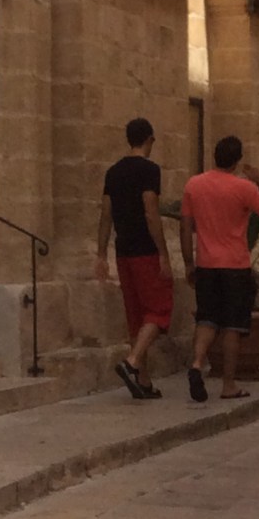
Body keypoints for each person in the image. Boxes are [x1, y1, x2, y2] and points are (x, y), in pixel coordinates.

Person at [179, 136, 259, 402]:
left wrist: (188, 262)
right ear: (237, 160)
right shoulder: (244, 188)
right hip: (235, 266)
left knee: (207, 320)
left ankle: (197, 363)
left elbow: (185, 226)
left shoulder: (194, 185)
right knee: (233, 326)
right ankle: (228, 384)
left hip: (206, 264)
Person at [96, 118, 173, 400]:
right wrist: (163, 253)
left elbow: (106, 214)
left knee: (136, 316)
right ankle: (132, 362)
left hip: (123, 251)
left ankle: (144, 381)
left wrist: (101, 254)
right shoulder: (149, 170)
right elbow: (151, 211)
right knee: (159, 309)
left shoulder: (113, 172)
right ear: (149, 139)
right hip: (145, 249)